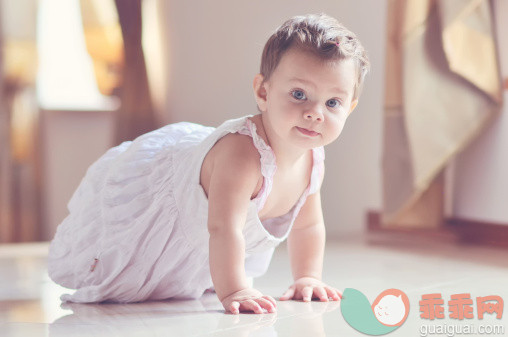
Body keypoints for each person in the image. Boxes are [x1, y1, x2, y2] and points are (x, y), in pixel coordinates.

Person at [48, 13, 370, 315]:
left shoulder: (312, 159)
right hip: (168, 208)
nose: (315, 112)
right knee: (131, 278)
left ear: (350, 108)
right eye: (299, 94)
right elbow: (223, 228)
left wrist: (308, 277)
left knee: (185, 278)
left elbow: (307, 225)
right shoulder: (242, 154)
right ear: (263, 91)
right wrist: (234, 291)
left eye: (332, 103)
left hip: (202, 242)